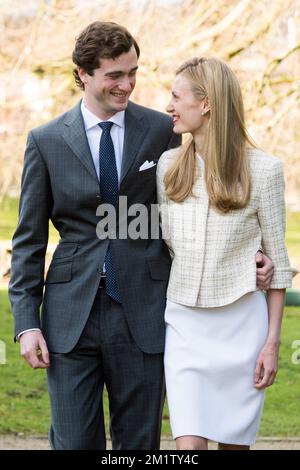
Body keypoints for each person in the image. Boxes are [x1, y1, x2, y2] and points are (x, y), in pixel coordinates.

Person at [9, 21, 273, 450]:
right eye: (115, 75)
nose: (127, 84)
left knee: (139, 447)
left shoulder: (162, 130)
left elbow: (216, 195)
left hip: (145, 314)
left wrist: (257, 252)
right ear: (83, 73)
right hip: (69, 317)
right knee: (74, 443)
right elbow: (28, 242)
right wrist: (26, 325)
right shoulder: (46, 141)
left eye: (133, 72)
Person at [157, 57, 297, 451]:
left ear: (206, 104)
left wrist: (271, 344)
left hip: (242, 328)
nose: (169, 106)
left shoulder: (265, 170)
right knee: (188, 448)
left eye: (176, 96)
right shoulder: (168, 166)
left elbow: (279, 264)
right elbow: (162, 243)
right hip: (184, 322)